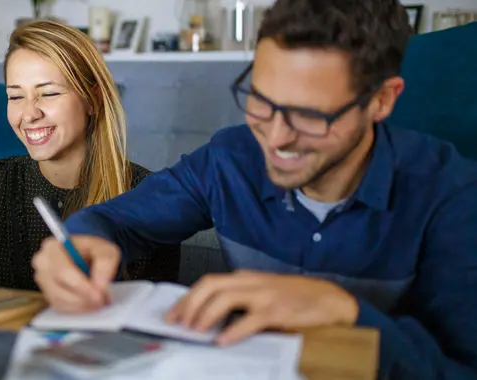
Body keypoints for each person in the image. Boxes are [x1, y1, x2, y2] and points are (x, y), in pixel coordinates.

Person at [31, 1, 477, 379]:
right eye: (260, 101)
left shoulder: (451, 193)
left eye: (309, 115)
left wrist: (344, 310)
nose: (276, 139)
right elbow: (117, 220)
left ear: (381, 100)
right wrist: (84, 239)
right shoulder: (230, 158)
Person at [0, 20, 180, 290]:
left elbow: (149, 314)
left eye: (49, 93)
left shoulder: (147, 196)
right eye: (16, 97)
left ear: (92, 100)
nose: (29, 114)